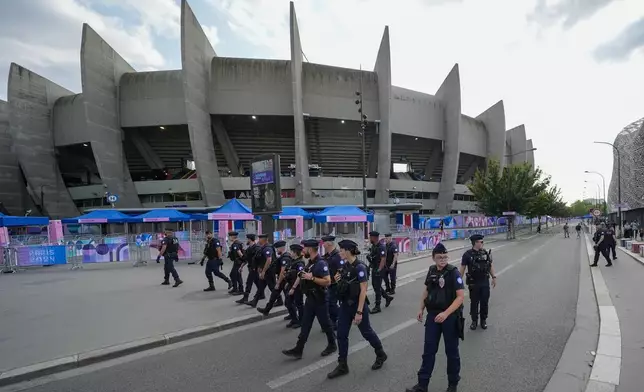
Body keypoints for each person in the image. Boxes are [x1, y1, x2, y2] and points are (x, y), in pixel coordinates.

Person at [406, 243, 464, 392]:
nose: (443, 260)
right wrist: (421, 308)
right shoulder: (431, 270)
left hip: (449, 317)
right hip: (433, 316)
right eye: (439, 257)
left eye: (445, 257)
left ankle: (452, 384)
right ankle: (422, 385)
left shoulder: (453, 272)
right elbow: (426, 290)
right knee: (428, 351)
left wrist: (446, 314)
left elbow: (460, 297)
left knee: (451, 352)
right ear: (433, 258)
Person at [327, 239, 387, 379]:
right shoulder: (345, 265)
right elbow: (343, 286)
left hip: (357, 306)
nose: (340, 252)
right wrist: (337, 280)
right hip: (345, 306)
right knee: (341, 335)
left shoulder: (360, 267)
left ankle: (380, 354)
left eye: (342, 250)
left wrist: (359, 312)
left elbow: (363, 290)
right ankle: (342, 365)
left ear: (348, 251)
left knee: (366, 332)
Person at [282, 239, 337, 359]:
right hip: (310, 299)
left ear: (310, 249)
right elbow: (304, 275)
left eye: (305, 248)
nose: (303, 250)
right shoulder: (310, 263)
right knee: (306, 324)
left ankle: (332, 344)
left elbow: (327, 281)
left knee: (326, 324)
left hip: (320, 299)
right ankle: (298, 349)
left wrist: (311, 278)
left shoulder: (321, 263)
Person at [459, 234, 496, 330]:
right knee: (474, 303)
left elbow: (490, 265)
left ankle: (483, 320)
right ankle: (474, 321)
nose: (483, 243)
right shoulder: (467, 255)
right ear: (475, 243)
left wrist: (494, 277)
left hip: (484, 282)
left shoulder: (485, 253)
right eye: (481, 242)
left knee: (484, 302)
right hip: (474, 283)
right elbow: (462, 269)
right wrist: (458, 283)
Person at [257, 240, 289, 315]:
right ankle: (266, 310)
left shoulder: (285, 258)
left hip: (284, 281)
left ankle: (294, 317)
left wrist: (278, 283)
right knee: (273, 295)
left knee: (289, 301)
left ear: (282, 248)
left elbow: (282, 272)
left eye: (277, 249)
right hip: (282, 280)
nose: (276, 250)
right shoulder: (282, 257)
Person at [367, 231, 394, 314]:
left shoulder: (381, 247)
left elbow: (383, 259)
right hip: (374, 268)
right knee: (375, 285)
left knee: (377, 288)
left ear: (375, 238)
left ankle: (377, 306)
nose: (369, 239)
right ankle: (387, 297)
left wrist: (379, 269)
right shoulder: (374, 246)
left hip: (379, 269)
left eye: (371, 237)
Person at [245, 234, 275, 308]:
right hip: (265, 270)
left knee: (272, 287)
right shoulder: (263, 247)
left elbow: (269, 260)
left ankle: (279, 299)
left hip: (269, 271)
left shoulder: (267, 248)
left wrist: (264, 271)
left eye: (260, 239)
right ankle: (254, 301)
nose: (259, 240)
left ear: (264, 239)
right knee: (261, 286)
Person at [322, 235, 342, 330]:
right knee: (330, 303)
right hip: (328, 283)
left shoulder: (337, 255)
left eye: (324, 242)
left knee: (332, 303)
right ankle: (334, 321)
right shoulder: (327, 255)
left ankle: (339, 319)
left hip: (335, 284)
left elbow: (341, 269)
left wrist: (337, 277)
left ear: (329, 243)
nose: (323, 244)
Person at [283, 243, 306, 328]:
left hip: (297, 286)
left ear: (295, 252)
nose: (290, 253)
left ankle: (301, 321)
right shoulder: (292, 261)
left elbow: (299, 276)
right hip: (290, 285)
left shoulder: (300, 263)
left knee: (299, 304)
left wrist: (293, 287)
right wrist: (287, 284)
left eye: (291, 251)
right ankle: (294, 319)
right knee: (288, 302)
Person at [235, 234, 262, 304]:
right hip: (251, 268)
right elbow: (245, 259)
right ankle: (262, 294)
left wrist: (259, 269)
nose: (246, 240)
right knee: (258, 282)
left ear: (250, 239)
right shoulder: (249, 248)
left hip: (254, 269)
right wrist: (241, 267)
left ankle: (245, 297)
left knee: (249, 283)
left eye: (247, 239)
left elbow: (259, 259)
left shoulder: (257, 248)